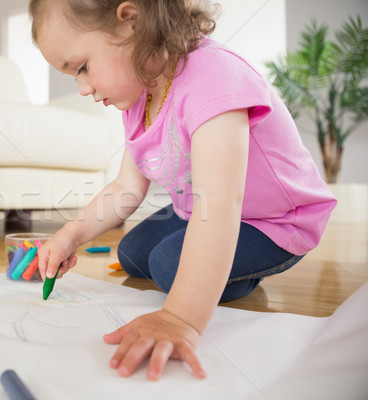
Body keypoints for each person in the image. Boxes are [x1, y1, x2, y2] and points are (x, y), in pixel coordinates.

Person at [29, 0, 337, 381]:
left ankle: (242, 273)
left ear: (131, 22)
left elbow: (221, 201)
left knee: (167, 266)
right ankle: (209, 261)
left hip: (273, 221)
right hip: (198, 210)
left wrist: (180, 316)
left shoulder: (212, 76)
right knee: (132, 253)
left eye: (82, 67)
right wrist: (69, 235)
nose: (82, 88)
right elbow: (126, 187)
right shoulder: (139, 96)